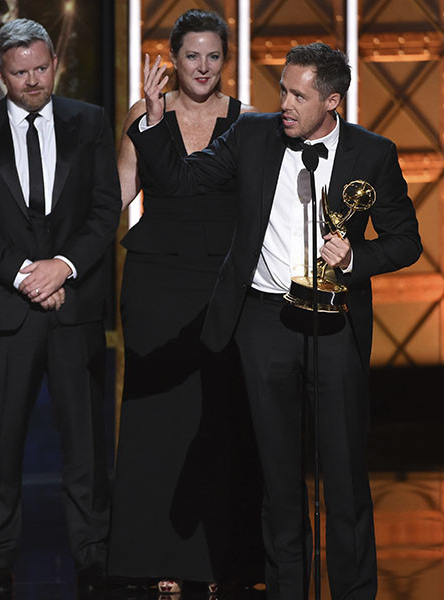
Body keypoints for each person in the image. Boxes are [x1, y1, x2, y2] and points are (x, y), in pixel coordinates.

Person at [128, 43, 422, 599]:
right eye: (282, 89)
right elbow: (182, 181)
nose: (283, 102)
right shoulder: (254, 135)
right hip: (263, 324)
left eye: (298, 95)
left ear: (332, 101)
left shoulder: (373, 153)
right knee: (279, 482)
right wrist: (152, 121)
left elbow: (407, 241)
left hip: (334, 327)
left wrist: (356, 259)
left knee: (344, 480)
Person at [0, 18, 121, 598]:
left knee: (86, 441)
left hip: (73, 302)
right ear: (0, 72)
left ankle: (93, 556)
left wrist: (63, 266)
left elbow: (104, 209)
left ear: (56, 62)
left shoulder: (90, 122)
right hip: (6, 305)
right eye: (19, 72)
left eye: (41, 69)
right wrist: (26, 274)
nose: (32, 80)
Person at [107, 9, 263, 595]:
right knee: (158, 419)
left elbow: (257, 207)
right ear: (172, 58)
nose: (203, 67)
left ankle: (222, 560)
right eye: (192, 56)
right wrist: (66, 259)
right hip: (154, 284)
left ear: (225, 59)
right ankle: (161, 559)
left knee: (221, 413)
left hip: (222, 284)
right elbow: (121, 194)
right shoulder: (145, 116)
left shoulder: (246, 121)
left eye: (213, 56)